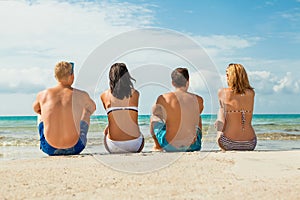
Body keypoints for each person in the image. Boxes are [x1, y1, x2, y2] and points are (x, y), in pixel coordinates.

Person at [32, 61, 96, 155]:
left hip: (49, 148)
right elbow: (92, 108)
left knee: (40, 111)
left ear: (56, 77)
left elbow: (35, 109)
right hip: (75, 147)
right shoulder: (81, 95)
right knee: (87, 111)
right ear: (72, 76)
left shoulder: (43, 95)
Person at [150, 67, 204, 152]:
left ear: (173, 83)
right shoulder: (199, 100)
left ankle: (157, 146)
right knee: (199, 117)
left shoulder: (163, 98)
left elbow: (155, 112)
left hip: (170, 146)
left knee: (154, 117)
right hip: (193, 146)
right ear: (188, 82)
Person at [100, 63, 144, 153]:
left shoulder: (104, 96)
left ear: (111, 77)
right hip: (135, 145)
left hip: (114, 146)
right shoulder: (135, 94)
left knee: (106, 131)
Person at [215, 63, 256, 151]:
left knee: (221, 110)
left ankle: (219, 135)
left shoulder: (222, 92)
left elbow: (223, 121)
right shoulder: (251, 93)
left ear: (233, 76)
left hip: (229, 142)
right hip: (250, 143)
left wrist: (219, 127)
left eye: (227, 74)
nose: (226, 77)